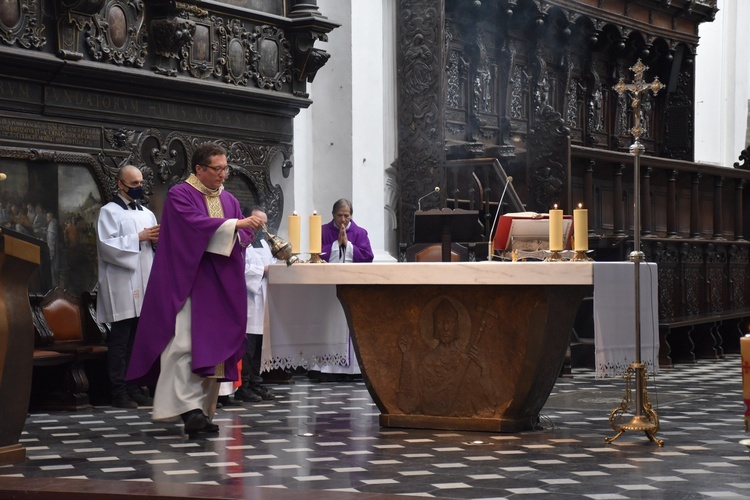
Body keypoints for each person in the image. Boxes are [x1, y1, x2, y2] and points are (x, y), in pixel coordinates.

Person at [126, 143, 263, 437]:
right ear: (199, 169)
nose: (223, 175)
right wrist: (236, 224)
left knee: (214, 351)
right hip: (188, 283)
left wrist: (247, 230)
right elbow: (194, 226)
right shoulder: (180, 195)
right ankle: (187, 409)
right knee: (183, 346)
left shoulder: (229, 200)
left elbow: (238, 238)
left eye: (226, 168)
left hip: (219, 287)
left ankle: (201, 411)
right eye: (217, 169)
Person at [96, 165, 159, 408]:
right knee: (120, 341)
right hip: (122, 284)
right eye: (134, 184)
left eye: (140, 183)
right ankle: (118, 391)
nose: (138, 188)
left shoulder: (147, 213)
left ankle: (133, 386)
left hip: (144, 282)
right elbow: (106, 246)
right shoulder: (108, 212)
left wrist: (155, 240)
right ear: (120, 184)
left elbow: (153, 249)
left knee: (136, 340)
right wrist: (138, 238)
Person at [233, 208, 277, 403]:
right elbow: (238, 268)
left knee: (260, 345)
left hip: (265, 299)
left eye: (264, 224)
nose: (261, 227)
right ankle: (244, 385)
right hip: (249, 300)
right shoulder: (241, 241)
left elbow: (272, 263)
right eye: (258, 222)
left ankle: (256, 382)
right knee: (248, 347)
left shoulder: (264, 244)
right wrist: (263, 270)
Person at [320, 199, 374, 263]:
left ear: (351, 215)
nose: (343, 219)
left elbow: (368, 257)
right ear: (333, 214)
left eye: (346, 216)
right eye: (339, 215)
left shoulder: (361, 233)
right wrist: (337, 244)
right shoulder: (322, 231)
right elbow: (316, 256)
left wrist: (347, 244)